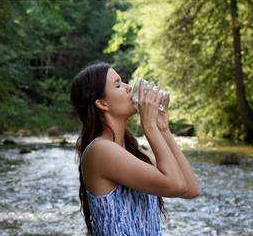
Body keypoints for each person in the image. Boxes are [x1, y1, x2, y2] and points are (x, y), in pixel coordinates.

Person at [70, 62, 201, 236]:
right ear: (102, 104)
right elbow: (175, 185)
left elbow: (191, 189)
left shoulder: (130, 152)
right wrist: (149, 126)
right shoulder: (100, 150)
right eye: (118, 85)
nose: (128, 88)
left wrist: (163, 129)